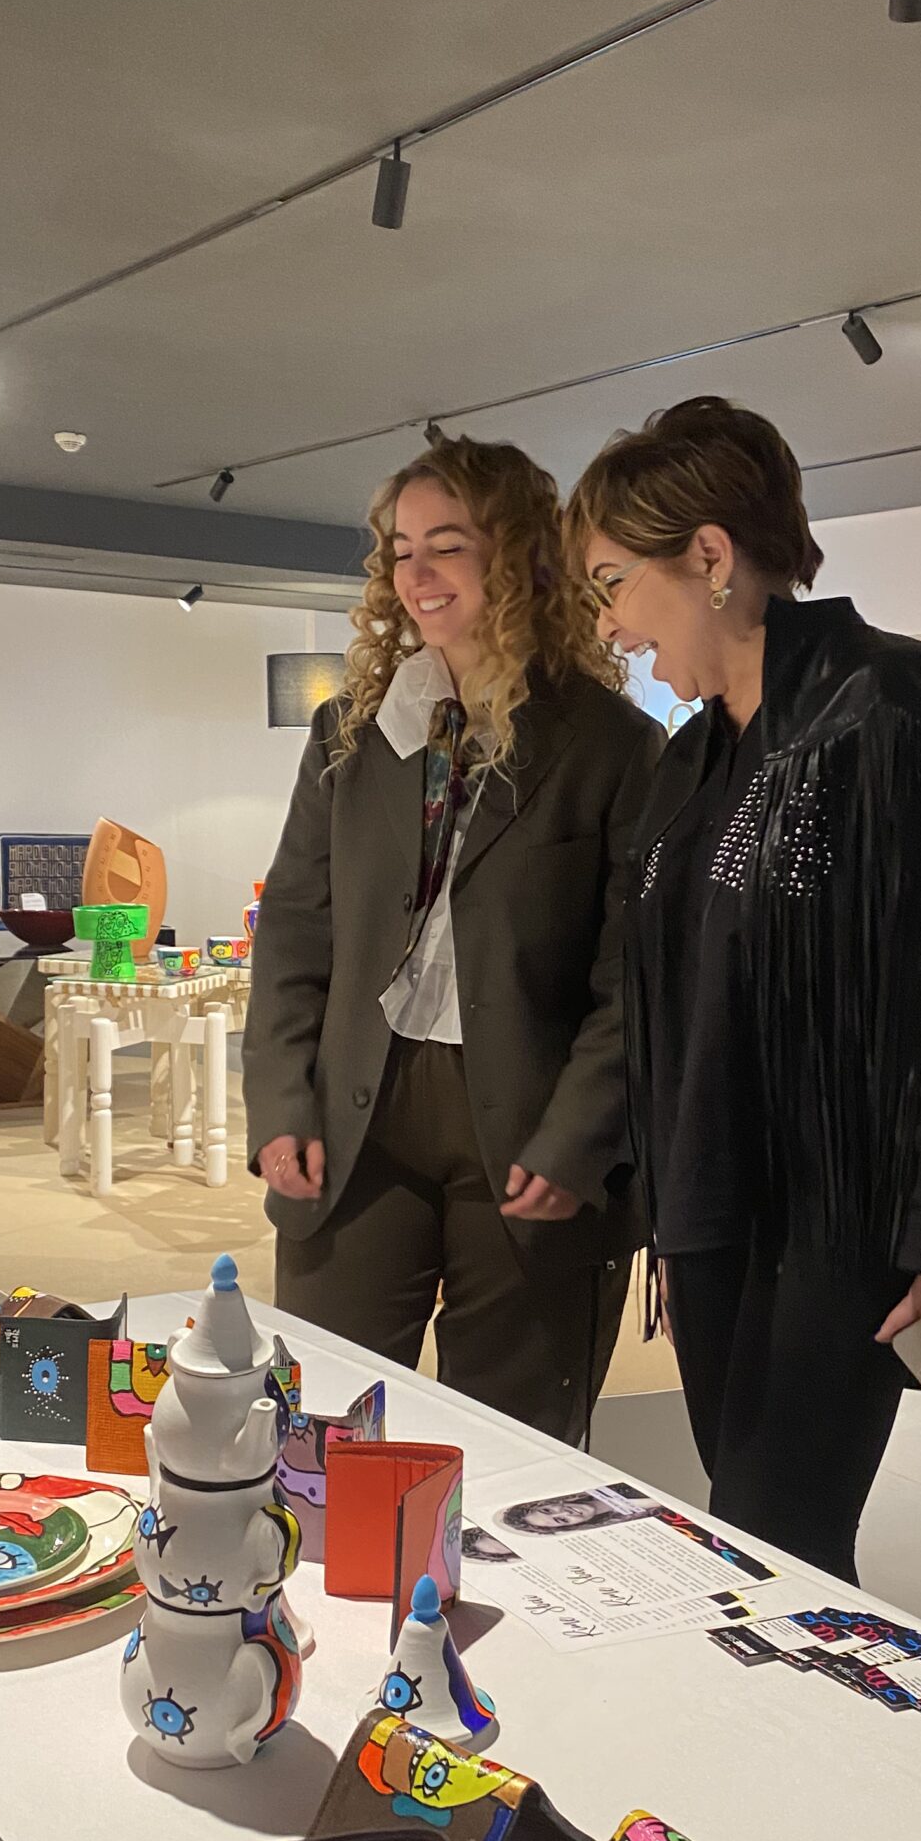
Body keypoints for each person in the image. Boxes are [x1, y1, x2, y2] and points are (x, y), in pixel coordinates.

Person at [566, 395, 921, 1578]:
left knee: (780, 1532)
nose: (611, 626)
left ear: (709, 556)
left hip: (843, 1222)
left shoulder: (903, 705)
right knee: (751, 1525)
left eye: (614, 584)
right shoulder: (696, 756)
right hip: (713, 1214)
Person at [243, 434, 661, 1443]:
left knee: (511, 1437)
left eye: (449, 546)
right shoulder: (350, 733)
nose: (418, 574)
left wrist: (579, 1137)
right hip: (361, 1114)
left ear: (518, 556)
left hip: (528, 1129)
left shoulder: (615, 745)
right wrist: (280, 1102)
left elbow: (635, 978)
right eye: (402, 551)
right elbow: (295, 930)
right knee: (324, 1422)